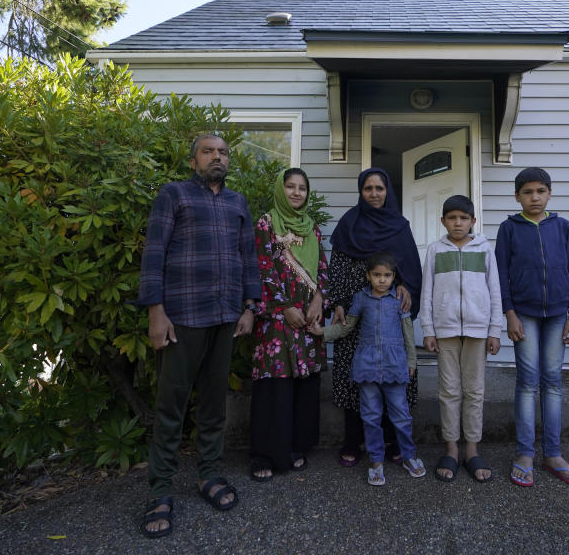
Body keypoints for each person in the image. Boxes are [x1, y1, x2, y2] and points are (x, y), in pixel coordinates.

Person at [135, 134, 261, 538]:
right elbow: (154, 252)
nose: (217, 157)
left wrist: (250, 306)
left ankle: (209, 474)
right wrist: (156, 311)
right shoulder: (173, 195)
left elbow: (248, 257)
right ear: (193, 161)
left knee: (213, 402)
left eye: (223, 152)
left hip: (226, 316)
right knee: (171, 405)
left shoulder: (237, 202)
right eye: (209, 151)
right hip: (183, 315)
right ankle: (160, 489)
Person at [495, 167, 569, 488]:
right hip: (525, 314)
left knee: (553, 382)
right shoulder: (509, 229)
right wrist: (509, 313)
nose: (534, 197)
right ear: (517, 196)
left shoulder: (561, 227)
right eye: (527, 192)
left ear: (549, 193)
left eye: (540, 191)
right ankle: (524, 453)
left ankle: (553, 454)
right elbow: (501, 275)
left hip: (559, 315)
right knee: (527, 381)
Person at [327, 168, 422, 466]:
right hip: (356, 315)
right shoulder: (348, 224)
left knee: (393, 377)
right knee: (356, 377)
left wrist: (405, 284)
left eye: (380, 188)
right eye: (368, 188)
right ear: (361, 191)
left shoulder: (399, 226)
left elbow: (410, 265)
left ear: (387, 191)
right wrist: (340, 302)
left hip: (390, 317)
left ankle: (393, 439)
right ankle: (354, 441)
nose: (374, 194)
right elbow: (338, 266)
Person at [313, 252, 425, 485]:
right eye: (377, 275)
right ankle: (376, 461)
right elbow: (346, 328)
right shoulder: (361, 298)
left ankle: (408, 455)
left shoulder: (399, 300)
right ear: (368, 276)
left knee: (401, 415)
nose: (382, 280)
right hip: (368, 366)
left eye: (387, 275)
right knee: (371, 416)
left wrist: (411, 362)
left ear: (394, 277)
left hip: (394, 366)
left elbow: (408, 334)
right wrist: (322, 332)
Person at [249, 168, 328, 481]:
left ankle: (296, 446)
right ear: (281, 190)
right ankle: (265, 454)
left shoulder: (313, 228)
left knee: (302, 384)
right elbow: (262, 268)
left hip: (308, 317)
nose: (297, 193)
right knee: (275, 385)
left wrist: (319, 301)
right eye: (291, 187)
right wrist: (284, 306)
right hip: (276, 319)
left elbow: (322, 266)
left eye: (302, 188)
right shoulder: (266, 223)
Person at [419, 195, 502, 483]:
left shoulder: (485, 249)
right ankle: (451, 449)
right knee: (449, 391)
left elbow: (494, 291)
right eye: (451, 218)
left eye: (463, 218)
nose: (457, 223)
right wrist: (428, 329)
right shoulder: (435, 250)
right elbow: (426, 291)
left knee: (474, 391)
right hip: (446, 331)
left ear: (473, 222)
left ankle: (472, 450)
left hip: (479, 331)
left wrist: (495, 330)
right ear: (443, 221)